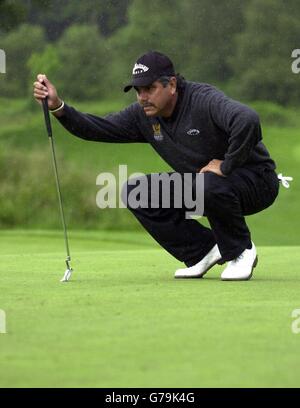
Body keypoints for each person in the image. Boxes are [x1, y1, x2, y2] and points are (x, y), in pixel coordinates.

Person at [33, 51, 279, 281]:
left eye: (149, 89)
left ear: (171, 85)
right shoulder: (144, 115)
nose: (142, 97)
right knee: (136, 192)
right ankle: (204, 250)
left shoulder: (203, 100)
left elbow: (247, 119)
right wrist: (57, 106)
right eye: (138, 90)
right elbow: (97, 128)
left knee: (209, 182)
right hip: (208, 188)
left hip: (257, 183)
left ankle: (240, 250)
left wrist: (227, 165)